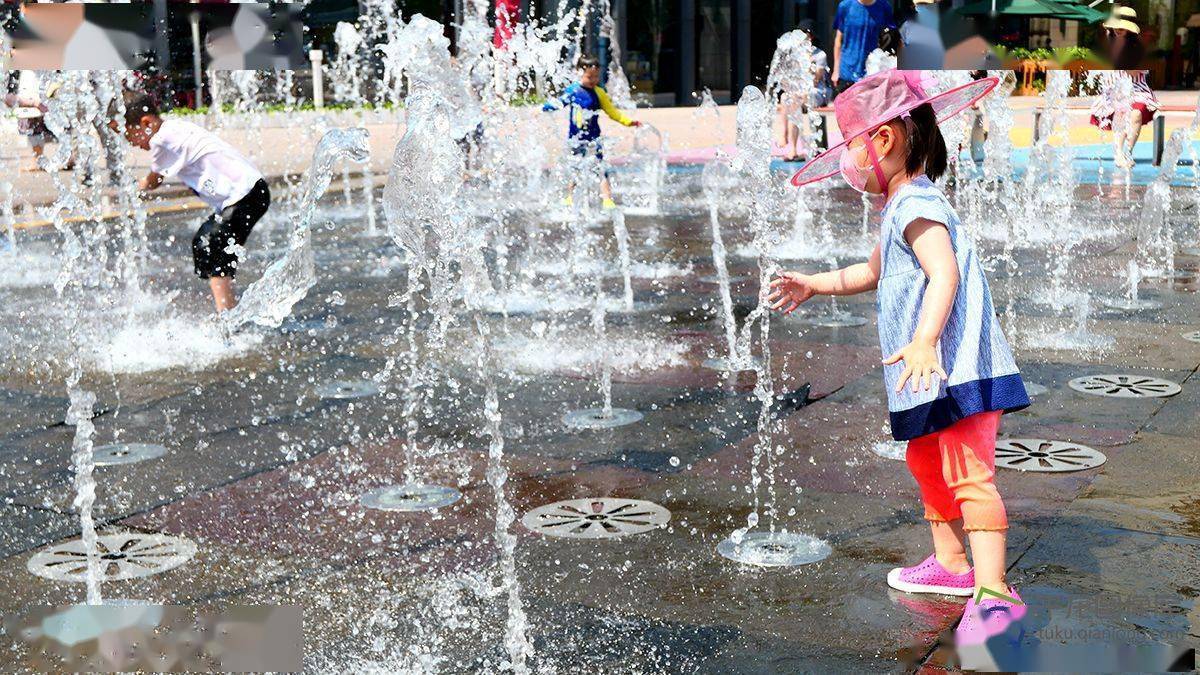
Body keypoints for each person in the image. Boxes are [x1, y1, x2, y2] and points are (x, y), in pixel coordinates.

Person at [770, 70, 1030, 645]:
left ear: (881, 140)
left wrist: (925, 338)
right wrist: (814, 282)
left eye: (849, 146)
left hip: (956, 367)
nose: (846, 163)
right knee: (925, 462)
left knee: (969, 475)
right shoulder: (896, 208)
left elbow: (946, 272)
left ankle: (994, 593)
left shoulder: (915, 202)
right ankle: (951, 565)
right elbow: (872, 271)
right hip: (927, 375)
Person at [117, 91, 270, 313]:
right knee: (207, 244)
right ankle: (228, 308)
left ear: (146, 122)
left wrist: (136, 188)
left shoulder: (162, 140)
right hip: (250, 192)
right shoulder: (174, 128)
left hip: (244, 195)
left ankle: (227, 316)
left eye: (128, 135)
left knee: (212, 242)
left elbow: (154, 179)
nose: (130, 143)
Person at [543, 55, 642, 209]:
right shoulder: (573, 91)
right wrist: (545, 107)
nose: (593, 80)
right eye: (590, 76)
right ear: (579, 73)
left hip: (594, 139)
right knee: (575, 168)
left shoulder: (599, 93)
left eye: (596, 76)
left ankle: (607, 199)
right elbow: (559, 103)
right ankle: (570, 197)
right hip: (575, 139)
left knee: (600, 168)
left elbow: (612, 112)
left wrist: (628, 122)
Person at [1090, 7, 1158, 170]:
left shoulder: (1139, 47)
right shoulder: (1105, 43)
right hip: (1112, 92)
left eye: (1123, 25)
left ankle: (1127, 152)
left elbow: (1135, 70)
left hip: (1136, 90)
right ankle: (1119, 153)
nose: (1119, 28)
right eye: (1117, 25)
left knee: (1134, 114)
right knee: (1120, 110)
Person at [775, 21, 830, 162]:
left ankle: (790, 145)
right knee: (786, 97)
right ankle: (786, 137)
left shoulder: (819, 55)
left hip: (819, 92)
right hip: (800, 94)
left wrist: (806, 61)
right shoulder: (795, 54)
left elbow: (816, 80)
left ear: (810, 36)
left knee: (794, 99)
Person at [832, 0, 895, 93]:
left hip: (873, 70)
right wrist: (836, 69)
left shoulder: (884, 6)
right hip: (847, 70)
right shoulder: (845, 6)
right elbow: (838, 40)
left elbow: (892, 38)